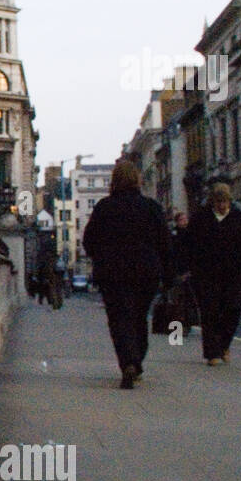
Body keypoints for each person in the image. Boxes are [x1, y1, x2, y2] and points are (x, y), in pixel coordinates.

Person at [82, 160, 172, 389]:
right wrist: (168, 273)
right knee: (139, 317)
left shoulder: (104, 207)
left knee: (119, 319)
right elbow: (165, 243)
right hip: (146, 272)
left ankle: (128, 362)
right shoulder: (151, 207)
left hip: (112, 273)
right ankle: (136, 360)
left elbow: (89, 241)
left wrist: (100, 258)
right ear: (137, 180)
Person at [186, 183, 241, 366]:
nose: (222, 205)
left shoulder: (239, 218)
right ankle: (212, 353)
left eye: (225, 201)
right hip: (206, 274)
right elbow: (189, 246)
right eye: (218, 202)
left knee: (233, 310)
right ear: (212, 202)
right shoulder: (200, 219)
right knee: (209, 313)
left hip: (233, 273)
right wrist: (188, 269)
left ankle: (224, 344)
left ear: (230, 201)